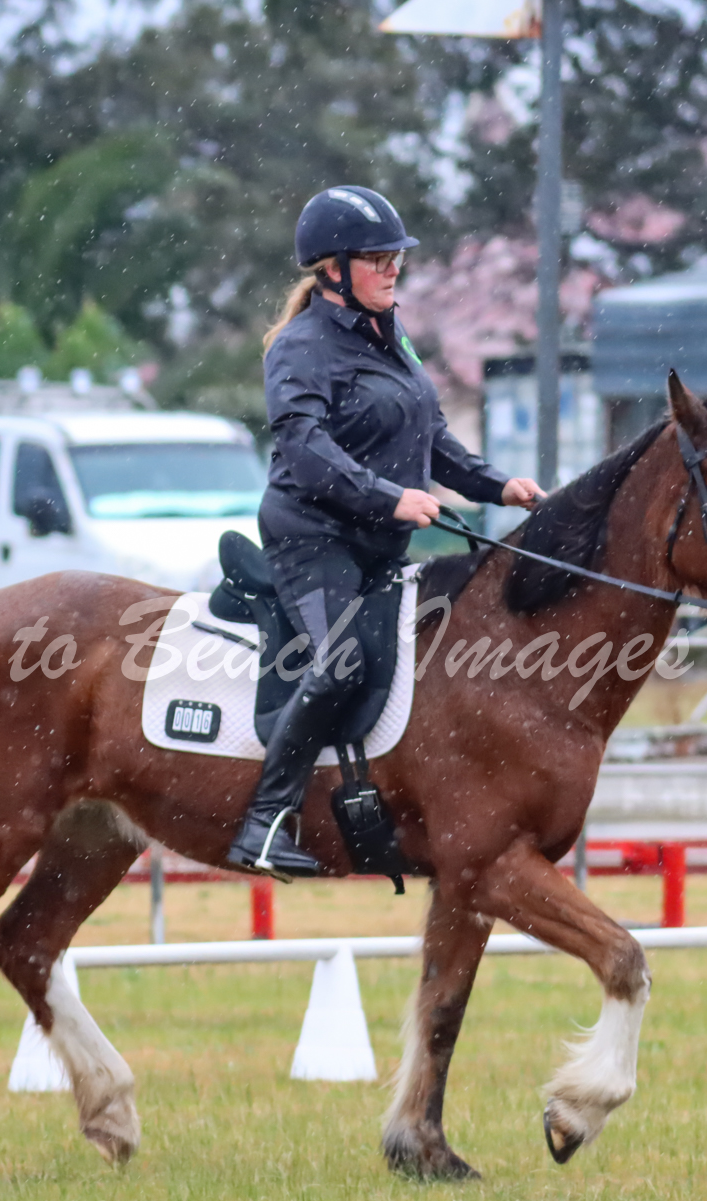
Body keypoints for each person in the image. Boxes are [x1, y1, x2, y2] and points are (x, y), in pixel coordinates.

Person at [226, 185, 543, 876]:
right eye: (377, 258)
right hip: (313, 539)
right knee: (342, 663)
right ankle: (265, 821)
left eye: (396, 256)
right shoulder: (299, 348)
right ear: (332, 269)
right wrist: (389, 497)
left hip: (378, 544)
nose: (393, 268)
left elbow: (432, 439)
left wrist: (499, 486)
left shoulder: (392, 335)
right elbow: (306, 451)